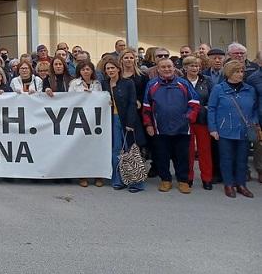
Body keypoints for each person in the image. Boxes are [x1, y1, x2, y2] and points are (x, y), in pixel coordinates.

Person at [142, 58, 200, 194]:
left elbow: (195, 103)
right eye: (163, 67)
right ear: (158, 69)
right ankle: (165, 180)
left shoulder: (183, 83)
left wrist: (188, 118)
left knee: (182, 156)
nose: (167, 69)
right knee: (162, 156)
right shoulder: (152, 84)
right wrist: (149, 125)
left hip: (182, 129)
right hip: (160, 129)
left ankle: (183, 181)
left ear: (174, 68)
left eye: (169, 66)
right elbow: (146, 107)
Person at [208, 60, 260, 198]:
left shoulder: (250, 89)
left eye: (242, 71)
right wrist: (213, 128)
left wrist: (254, 122)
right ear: (229, 73)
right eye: (237, 71)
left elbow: (255, 109)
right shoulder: (219, 89)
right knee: (226, 158)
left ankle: (241, 184)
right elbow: (211, 109)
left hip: (244, 130)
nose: (240, 74)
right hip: (225, 130)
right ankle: (229, 184)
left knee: (242, 159)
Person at [102, 58, 145, 192]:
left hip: (126, 120)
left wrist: (130, 122)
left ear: (118, 69)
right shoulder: (104, 84)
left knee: (130, 150)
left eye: (112, 68)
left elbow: (132, 103)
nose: (110, 70)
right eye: (108, 68)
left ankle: (136, 183)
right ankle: (118, 180)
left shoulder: (127, 83)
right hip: (111, 120)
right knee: (116, 151)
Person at [69, 61, 103, 188]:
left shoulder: (97, 83)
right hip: (79, 119)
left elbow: (102, 98)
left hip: (95, 120)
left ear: (92, 71)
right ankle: (82, 175)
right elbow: (69, 100)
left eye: (88, 69)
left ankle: (98, 175)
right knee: (81, 148)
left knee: (96, 148)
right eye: (83, 69)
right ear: (79, 71)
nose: (85, 71)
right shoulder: (74, 84)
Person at [183, 56, 214, 190]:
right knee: (188, 151)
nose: (195, 68)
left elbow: (212, 101)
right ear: (185, 68)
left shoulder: (207, 81)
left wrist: (203, 108)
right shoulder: (180, 82)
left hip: (203, 120)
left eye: (196, 66)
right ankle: (188, 177)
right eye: (191, 66)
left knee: (205, 150)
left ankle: (207, 178)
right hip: (186, 121)